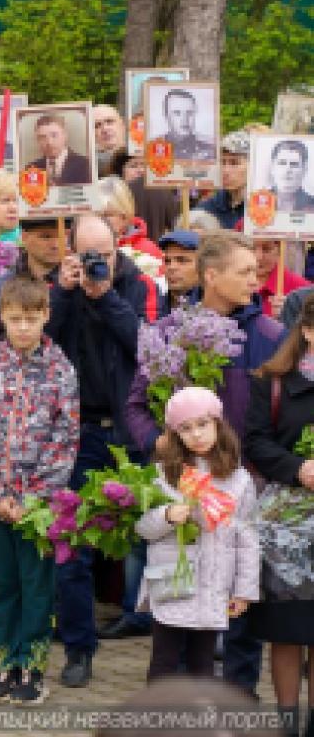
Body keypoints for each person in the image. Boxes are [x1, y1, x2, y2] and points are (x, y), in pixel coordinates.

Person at [45, 214, 155, 689]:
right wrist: (65, 292)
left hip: (130, 431)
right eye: (86, 254)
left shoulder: (137, 284)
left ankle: (167, 655)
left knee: (154, 541)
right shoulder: (59, 288)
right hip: (80, 431)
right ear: (70, 252)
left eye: (104, 254)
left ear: (117, 250)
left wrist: (105, 295)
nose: (95, 263)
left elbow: (145, 346)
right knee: (73, 546)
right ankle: (78, 649)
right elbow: (46, 342)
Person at [0, 274, 78, 705]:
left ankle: (34, 667)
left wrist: (33, 499)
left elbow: (65, 440)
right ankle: (6, 662)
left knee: (36, 586)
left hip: (37, 508)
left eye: (31, 318)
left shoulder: (61, 369)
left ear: (46, 315)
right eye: (15, 319)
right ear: (2, 318)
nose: (24, 327)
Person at [134, 387, 258, 684]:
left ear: (218, 424)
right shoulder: (163, 475)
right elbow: (141, 528)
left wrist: (244, 590)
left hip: (215, 584)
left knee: (202, 665)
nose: (197, 435)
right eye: (186, 429)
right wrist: (166, 516)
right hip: (172, 582)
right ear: (175, 435)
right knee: (164, 661)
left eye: (203, 424)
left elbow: (248, 537)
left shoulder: (238, 480)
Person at [245, 295, 314, 734]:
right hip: (284, 528)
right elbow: (255, 441)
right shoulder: (271, 381)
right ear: (307, 331)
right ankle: (287, 720)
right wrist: (298, 468)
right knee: (287, 632)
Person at [197, 132, 250, 229]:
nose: (225, 170)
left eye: (234, 163)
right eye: (222, 162)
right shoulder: (208, 208)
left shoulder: (263, 209)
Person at [28, 113, 93, 187]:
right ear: (37, 140)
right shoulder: (31, 169)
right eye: (42, 137)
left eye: (54, 135)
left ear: (65, 135)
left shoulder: (86, 166)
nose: (49, 142)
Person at [159, 89, 215, 162]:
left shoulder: (210, 148)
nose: (184, 120)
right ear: (166, 116)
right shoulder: (154, 146)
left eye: (190, 113)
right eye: (177, 113)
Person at [267, 140, 314, 213]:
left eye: (294, 164)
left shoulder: (312, 204)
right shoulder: (257, 201)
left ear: (304, 170)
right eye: (282, 163)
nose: (287, 170)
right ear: (272, 168)